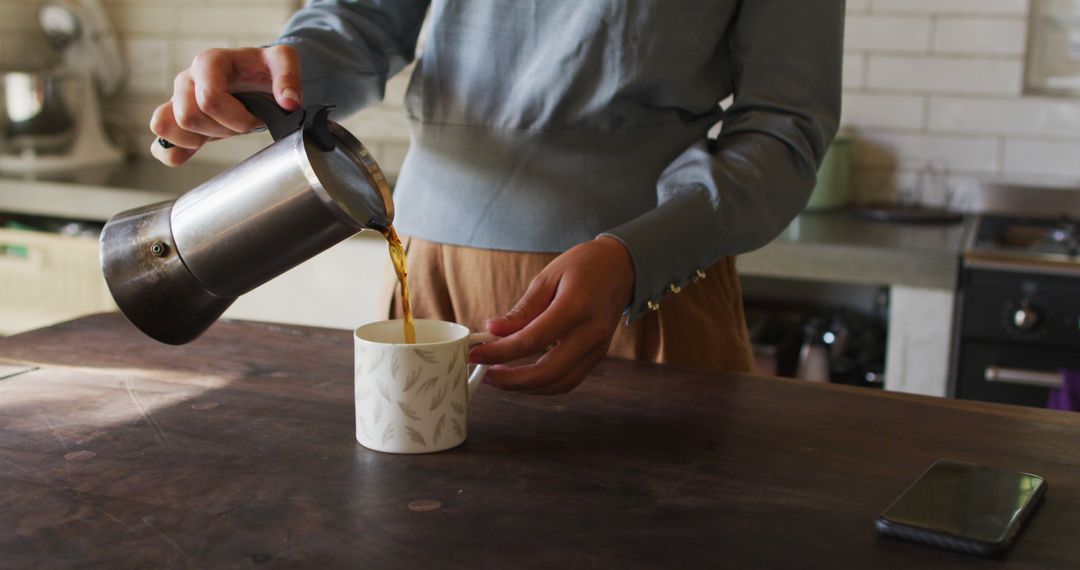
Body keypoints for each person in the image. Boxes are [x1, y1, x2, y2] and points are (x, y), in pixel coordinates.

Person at [150, 1, 843, 395]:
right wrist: (283, 72)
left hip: (645, 291)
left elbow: (785, 130)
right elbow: (359, 23)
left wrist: (639, 258)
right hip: (431, 282)